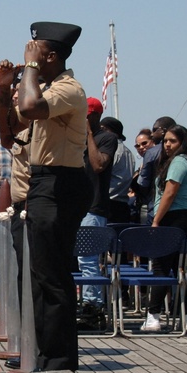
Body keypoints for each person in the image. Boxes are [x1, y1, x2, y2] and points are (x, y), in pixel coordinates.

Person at [0, 21, 90, 372]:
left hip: (59, 184)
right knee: (40, 278)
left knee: (52, 279)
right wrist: (5, 91)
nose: (28, 57)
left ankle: (59, 364)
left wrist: (30, 69)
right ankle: (46, 357)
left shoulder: (69, 90)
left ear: (50, 55)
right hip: (42, 184)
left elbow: (32, 108)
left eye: (35, 51)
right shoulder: (45, 90)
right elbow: (8, 132)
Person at [142, 125, 187, 332]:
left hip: (173, 217)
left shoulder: (179, 162)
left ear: (183, 143)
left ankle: (153, 316)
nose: (167, 145)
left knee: (161, 267)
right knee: (180, 268)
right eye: (166, 141)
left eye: (173, 141)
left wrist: (156, 220)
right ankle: (182, 315)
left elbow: (169, 193)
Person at [79, 97, 118, 320]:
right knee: (77, 259)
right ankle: (85, 302)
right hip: (76, 206)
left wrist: (89, 135)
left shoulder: (107, 139)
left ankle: (93, 308)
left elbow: (98, 164)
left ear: (93, 115)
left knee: (88, 259)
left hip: (94, 208)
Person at [134, 116, 176, 224]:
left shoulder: (152, 153)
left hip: (155, 206)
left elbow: (143, 183)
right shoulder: (186, 152)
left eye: (154, 130)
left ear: (163, 131)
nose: (152, 134)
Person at [102, 117, 134, 224]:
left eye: (102, 129)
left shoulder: (111, 150)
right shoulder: (129, 153)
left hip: (109, 203)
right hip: (123, 204)